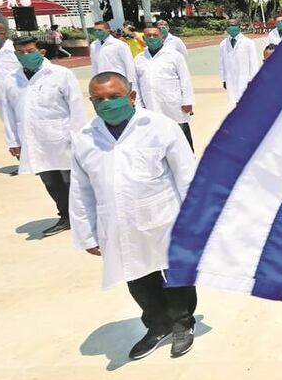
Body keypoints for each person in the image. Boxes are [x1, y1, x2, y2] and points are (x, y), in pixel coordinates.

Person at [69, 71, 199, 360]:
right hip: (117, 222)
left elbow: (187, 176)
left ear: (131, 96)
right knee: (136, 275)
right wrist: (86, 234)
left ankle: (182, 324)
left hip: (163, 217)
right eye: (99, 99)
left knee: (174, 273)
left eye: (114, 97)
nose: (107, 104)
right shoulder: (84, 138)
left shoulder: (160, 127)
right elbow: (80, 192)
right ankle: (157, 325)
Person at [1, 37, 86, 236]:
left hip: (62, 138)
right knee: (50, 182)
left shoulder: (61, 74)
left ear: (42, 52)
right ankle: (65, 217)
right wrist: (13, 141)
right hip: (33, 141)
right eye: (20, 53)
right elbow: (8, 112)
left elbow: (76, 108)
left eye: (29, 51)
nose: (25, 56)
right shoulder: (11, 79)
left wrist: (79, 137)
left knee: (72, 181)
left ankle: (84, 217)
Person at [135, 25, 196, 151]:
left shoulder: (174, 56)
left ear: (162, 38)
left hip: (174, 103)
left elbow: (185, 79)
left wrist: (187, 101)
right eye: (148, 36)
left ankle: (189, 157)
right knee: (156, 133)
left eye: (155, 35)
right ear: (144, 39)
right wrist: (138, 104)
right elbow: (135, 83)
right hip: (150, 103)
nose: (152, 38)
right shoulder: (138, 59)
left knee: (180, 131)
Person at [0, 20, 21, 139]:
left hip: (20, 96)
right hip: (2, 98)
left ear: (1, 34)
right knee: (11, 129)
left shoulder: (16, 50)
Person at [219, 19, 260, 106]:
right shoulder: (223, 44)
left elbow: (254, 63)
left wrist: (252, 80)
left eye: (234, 25)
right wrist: (224, 80)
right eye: (229, 26)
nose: (231, 27)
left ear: (239, 27)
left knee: (247, 102)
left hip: (245, 78)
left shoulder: (248, 43)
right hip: (231, 78)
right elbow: (222, 63)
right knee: (236, 102)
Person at [90, 20, 139, 87]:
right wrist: (95, 81)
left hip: (119, 81)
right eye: (95, 30)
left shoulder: (119, 44)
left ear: (108, 31)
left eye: (100, 30)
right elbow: (94, 65)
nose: (97, 32)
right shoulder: (93, 45)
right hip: (102, 82)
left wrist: (130, 81)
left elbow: (129, 63)